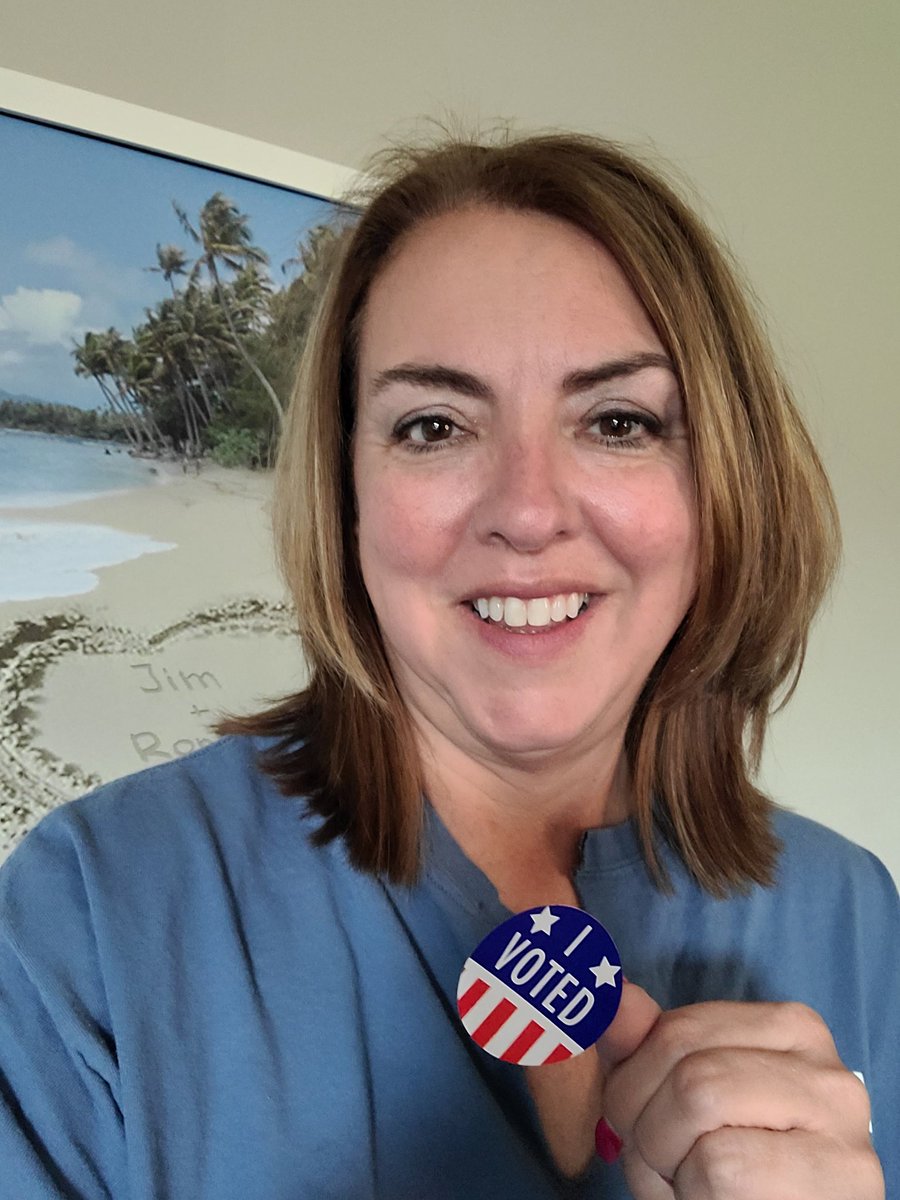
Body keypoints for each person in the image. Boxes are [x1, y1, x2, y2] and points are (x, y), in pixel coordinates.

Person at [0, 131, 896, 1200]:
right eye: (434, 426)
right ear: (347, 493)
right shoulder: (92, 915)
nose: (528, 512)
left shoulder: (852, 915)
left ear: (724, 486)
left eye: (617, 421)